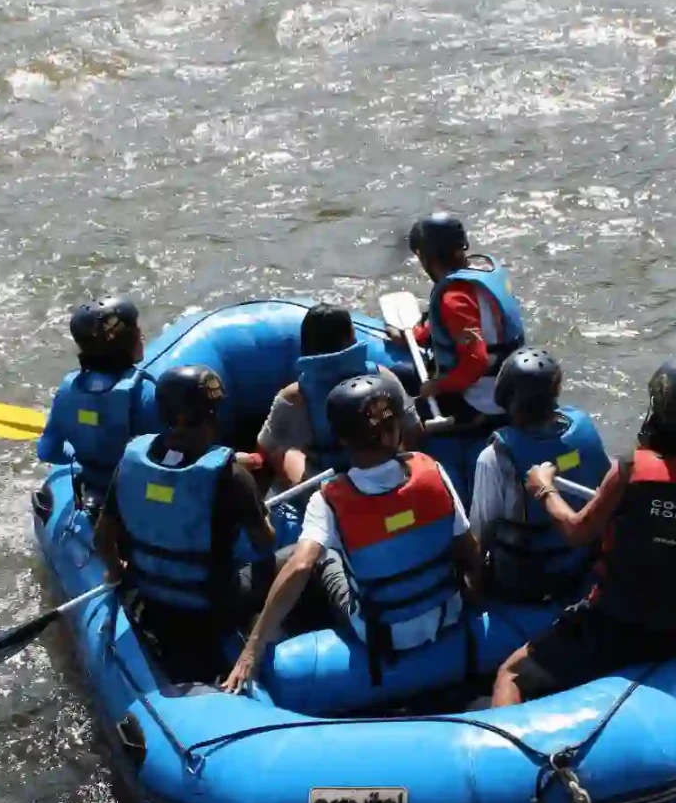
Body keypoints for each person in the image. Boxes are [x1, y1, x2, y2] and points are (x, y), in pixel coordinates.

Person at [491, 359, 676, 708]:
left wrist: (544, 488)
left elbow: (577, 532)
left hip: (615, 626)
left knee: (510, 675)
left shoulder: (631, 471)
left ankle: (510, 759)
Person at [225, 373, 484, 691]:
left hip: (381, 633)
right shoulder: (432, 470)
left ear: (342, 439)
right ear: (394, 431)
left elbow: (301, 566)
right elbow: (468, 549)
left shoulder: (329, 499)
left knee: (317, 555)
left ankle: (249, 606)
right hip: (448, 614)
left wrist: (252, 649)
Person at [95, 365, 276, 684]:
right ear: (212, 415)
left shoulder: (131, 463)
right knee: (291, 561)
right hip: (214, 604)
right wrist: (264, 514)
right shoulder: (232, 477)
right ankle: (263, 632)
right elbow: (264, 542)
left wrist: (115, 570)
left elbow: (102, 539)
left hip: (152, 597)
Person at [470, 348, 611, 602]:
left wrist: (473, 589)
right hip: (580, 568)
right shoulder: (583, 428)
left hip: (528, 583)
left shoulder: (494, 457)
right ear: (555, 391)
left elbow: (480, 534)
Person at [257, 303, 425, 489]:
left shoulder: (295, 396)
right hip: (385, 477)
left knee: (286, 450)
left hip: (327, 485)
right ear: (351, 337)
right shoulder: (382, 377)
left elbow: (268, 446)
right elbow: (413, 430)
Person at [406, 212, 527, 428]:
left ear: (427, 258)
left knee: (411, 417)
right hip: (513, 384)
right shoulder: (484, 271)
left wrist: (438, 386)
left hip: (485, 400)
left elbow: (476, 361)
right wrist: (417, 335)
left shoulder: (454, 299)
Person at [39, 297, 156, 502]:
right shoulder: (145, 392)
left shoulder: (68, 389)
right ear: (129, 341)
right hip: (139, 495)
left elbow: (47, 451)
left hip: (95, 487)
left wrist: (81, 456)